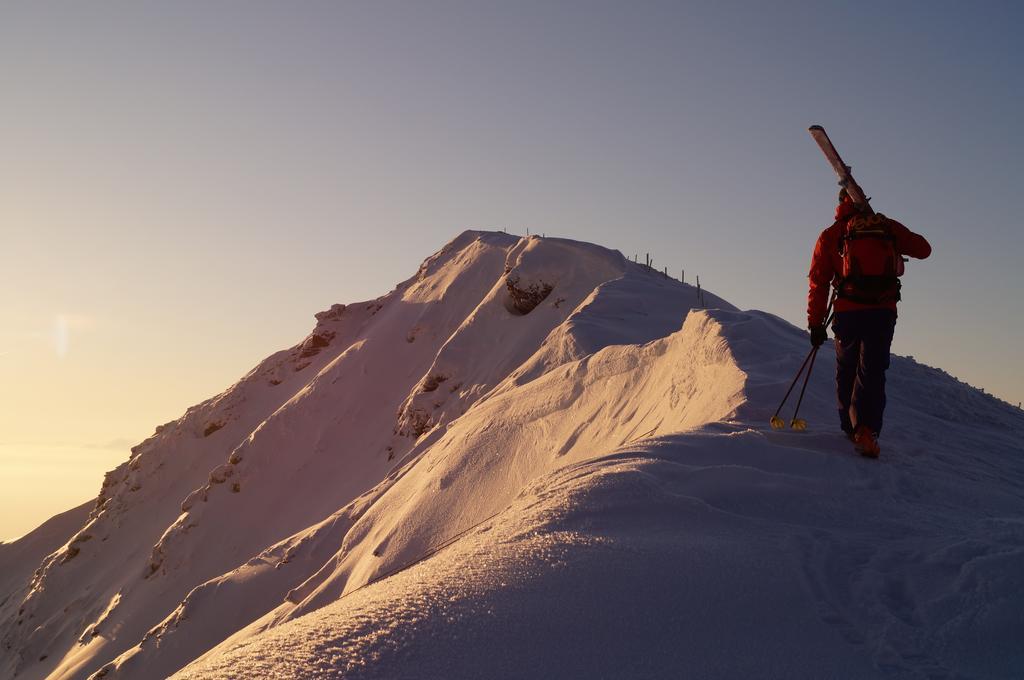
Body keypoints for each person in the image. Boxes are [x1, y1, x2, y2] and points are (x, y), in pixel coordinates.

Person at [807, 189, 931, 457]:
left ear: (840, 204)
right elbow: (924, 250)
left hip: (848, 312)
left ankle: (850, 428)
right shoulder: (885, 226)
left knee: (847, 368)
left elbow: (818, 282)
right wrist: (888, 232)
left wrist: (815, 324)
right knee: (872, 370)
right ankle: (866, 430)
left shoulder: (831, 235)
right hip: (881, 311)